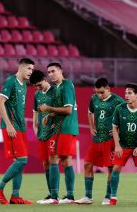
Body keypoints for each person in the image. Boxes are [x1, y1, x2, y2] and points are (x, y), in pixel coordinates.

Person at [75, 78, 125, 205]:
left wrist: (118, 131)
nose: (99, 95)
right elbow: (90, 112)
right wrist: (92, 127)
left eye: (102, 92)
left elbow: (127, 116)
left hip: (110, 140)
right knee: (87, 164)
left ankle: (108, 197)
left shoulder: (117, 101)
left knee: (111, 168)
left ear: (108, 89)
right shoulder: (94, 98)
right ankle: (88, 196)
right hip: (97, 138)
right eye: (97, 92)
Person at [0, 58, 35, 205]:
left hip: (21, 127)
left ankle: (15, 196)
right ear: (21, 67)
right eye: (29, 68)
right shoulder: (11, 81)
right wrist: (9, 125)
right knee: (22, 160)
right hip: (12, 127)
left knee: (20, 162)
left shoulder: (24, 85)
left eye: (32, 69)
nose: (31, 72)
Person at [38, 62, 79, 204]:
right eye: (48, 72)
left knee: (55, 158)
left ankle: (55, 197)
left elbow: (68, 110)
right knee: (62, 159)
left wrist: (48, 108)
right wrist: (50, 115)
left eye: (53, 71)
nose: (50, 74)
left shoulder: (67, 85)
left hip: (66, 128)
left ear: (61, 71)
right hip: (62, 128)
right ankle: (68, 196)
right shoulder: (58, 87)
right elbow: (60, 109)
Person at [109, 83, 137, 206]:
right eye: (126, 93)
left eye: (129, 93)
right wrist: (117, 145)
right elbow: (114, 128)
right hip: (122, 145)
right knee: (116, 168)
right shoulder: (119, 109)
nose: (126, 95)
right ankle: (113, 197)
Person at [30, 69, 56, 203]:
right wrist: (35, 128)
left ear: (45, 79)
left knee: (53, 162)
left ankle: (55, 195)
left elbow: (61, 110)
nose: (38, 88)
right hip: (42, 133)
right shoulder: (37, 95)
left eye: (39, 84)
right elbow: (35, 112)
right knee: (45, 163)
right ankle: (51, 193)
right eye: (36, 86)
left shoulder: (56, 91)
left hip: (53, 132)